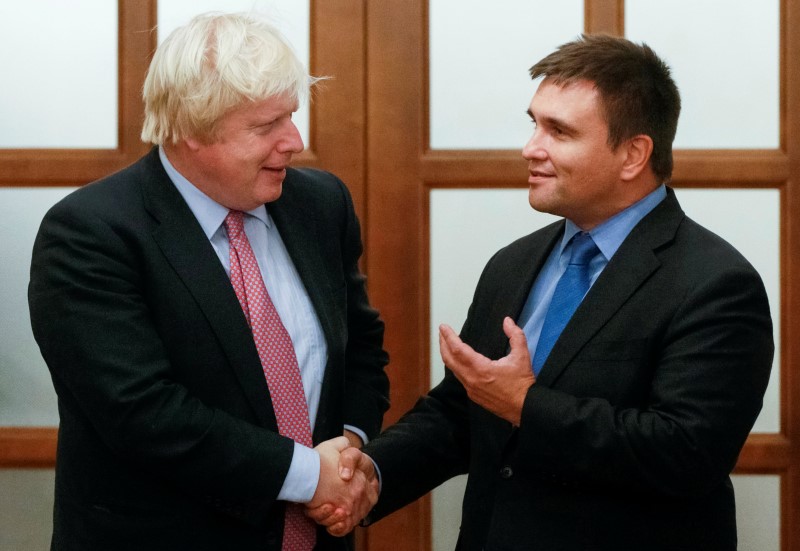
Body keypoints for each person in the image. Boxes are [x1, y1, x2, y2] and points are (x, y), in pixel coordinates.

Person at [314, 34, 774, 549]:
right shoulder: (513, 264)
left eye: (559, 131)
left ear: (633, 154)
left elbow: (687, 454)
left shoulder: (716, 283)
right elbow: (465, 410)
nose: (531, 148)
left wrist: (525, 404)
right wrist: (374, 472)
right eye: (534, 123)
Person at [28, 12, 387, 551]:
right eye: (267, 126)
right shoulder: (90, 233)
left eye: (291, 116)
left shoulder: (320, 204)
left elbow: (359, 348)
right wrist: (312, 475)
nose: (294, 141)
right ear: (192, 130)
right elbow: (142, 412)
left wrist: (350, 453)